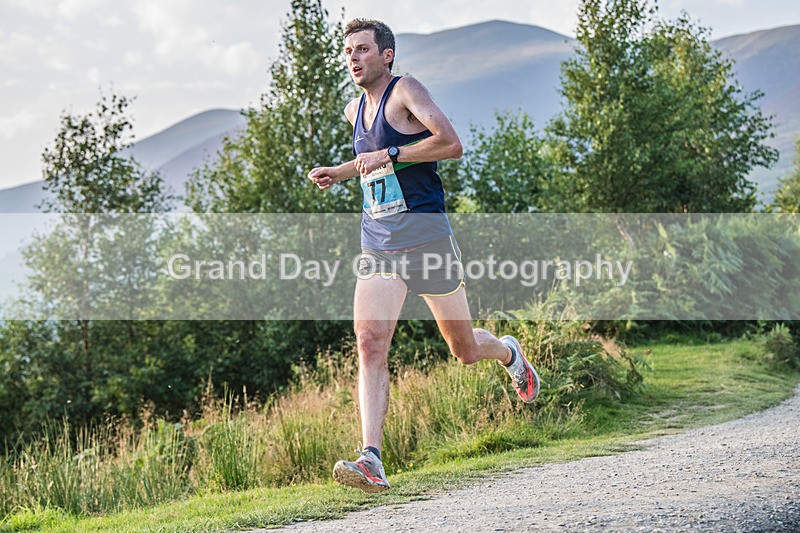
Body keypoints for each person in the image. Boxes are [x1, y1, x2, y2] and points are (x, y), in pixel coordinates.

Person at [307, 18, 540, 493]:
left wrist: (393, 156)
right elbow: (370, 160)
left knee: (465, 350)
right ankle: (371, 457)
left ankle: (509, 352)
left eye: (363, 50)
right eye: (348, 51)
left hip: (427, 241)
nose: (353, 58)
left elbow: (450, 144)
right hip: (378, 243)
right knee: (370, 343)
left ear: (386, 55)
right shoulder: (354, 109)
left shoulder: (406, 90)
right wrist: (342, 171)